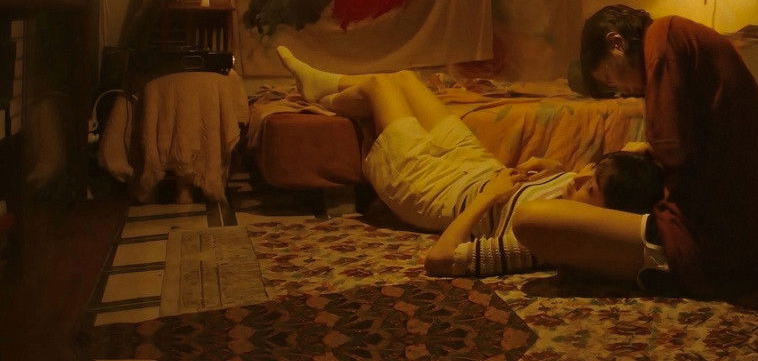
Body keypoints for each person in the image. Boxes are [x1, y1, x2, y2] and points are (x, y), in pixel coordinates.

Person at [275, 47, 663, 278]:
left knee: (379, 87)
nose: (577, 181)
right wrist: (552, 166)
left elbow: (440, 259)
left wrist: (488, 198)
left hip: (433, 190)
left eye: (588, 189)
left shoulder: (544, 240)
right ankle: (326, 96)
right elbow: (634, 151)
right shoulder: (587, 192)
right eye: (588, 177)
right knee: (405, 78)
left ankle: (323, 93)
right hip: (474, 163)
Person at [512, 5, 758, 297]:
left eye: (610, 78)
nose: (620, 90)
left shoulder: (664, 38)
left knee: (530, 219)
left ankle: (661, 267)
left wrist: (644, 155)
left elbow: (672, 150)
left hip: (720, 250)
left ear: (616, 43)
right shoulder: (679, 39)